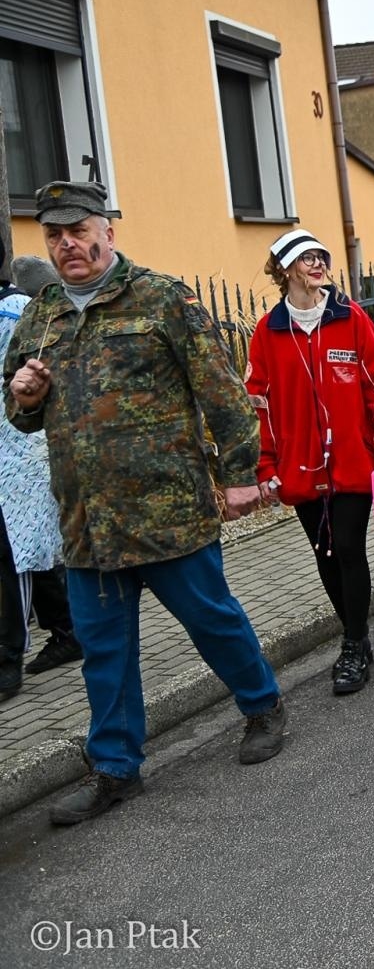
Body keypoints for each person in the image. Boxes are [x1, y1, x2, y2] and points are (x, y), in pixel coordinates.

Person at [3, 181, 286, 826]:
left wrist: (242, 476)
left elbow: (222, 393)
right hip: (85, 524)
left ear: (109, 230)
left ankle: (262, 704)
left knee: (211, 619)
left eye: (78, 229)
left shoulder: (163, 298)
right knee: (105, 653)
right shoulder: (39, 314)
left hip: (168, 513)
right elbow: (21, 417)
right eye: (54, 234)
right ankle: (114, 768)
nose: (67, 244)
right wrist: (21, 396)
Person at [246, 230, 374, 695]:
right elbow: (256, 405)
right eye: (306, 258)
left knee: (348, 547)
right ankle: (355, 632)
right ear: (284, 269)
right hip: (300, 467)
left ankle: (354, 643)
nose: (318, 263)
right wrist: (265, 467)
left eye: (322, 256)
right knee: (325, 554)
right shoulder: (268, 331)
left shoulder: (350, 318)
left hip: (353, 462)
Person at [0, 251, 79, 700]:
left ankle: (8, 657)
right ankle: (67, 631)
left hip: (21, 445)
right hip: (17, 446)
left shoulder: (14, 315)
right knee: (28, 549)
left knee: (17, 554)